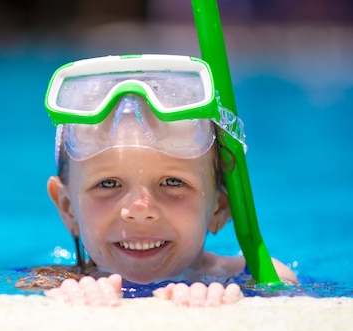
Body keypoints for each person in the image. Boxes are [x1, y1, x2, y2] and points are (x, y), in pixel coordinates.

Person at [17, 54, 297, 307]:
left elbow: (289, 302)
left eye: (172, 183)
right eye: (108, 184)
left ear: (219, 208)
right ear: (67, 208)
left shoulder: (251, 275)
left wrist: (230, 302)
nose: (140, 210)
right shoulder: (53, 281)